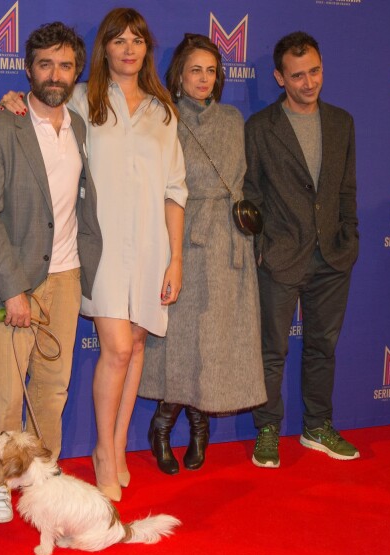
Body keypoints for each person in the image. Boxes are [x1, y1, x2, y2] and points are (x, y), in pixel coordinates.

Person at [0, 8, 187, 501]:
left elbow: (175, 189)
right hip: (97, 248)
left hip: (151, 247)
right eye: (118, 39)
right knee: (118, 348)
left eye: (137, 40)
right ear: (103, 48)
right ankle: (104, 450)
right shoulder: (82, 98)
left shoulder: (163, 110)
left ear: (148, 49)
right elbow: (42, 110)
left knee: (139, 346)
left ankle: (119, 447)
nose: (128, 48)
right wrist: (13, 99)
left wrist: (176, 259)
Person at [0, 22, 102, 524]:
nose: (55, 74)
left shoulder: (78, 126)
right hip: (17, 281)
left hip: (67, 276)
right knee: (7, 391)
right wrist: (12, 289)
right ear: (28, 68)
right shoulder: (1, 126)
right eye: (45, 64)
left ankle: (41, 474)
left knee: (53, 386)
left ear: (77, 72)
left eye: (66, 65)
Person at [139, 34, 267, 475]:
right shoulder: (163, 117)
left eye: (212, 71)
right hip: (183, 238)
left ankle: (200, 428)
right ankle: (161, 426)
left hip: (230, 245)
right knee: (178, 341)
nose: (205, 79)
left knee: (215, 344)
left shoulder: (233, 119)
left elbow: (242, 181)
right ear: (178, 73)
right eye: (196, 70)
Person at [243, 31, 360, 468]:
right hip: (280, 256)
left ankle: (317, 427)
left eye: (314, 71)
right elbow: (250, 195)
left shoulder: (341, 122)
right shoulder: (259, 128)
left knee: (322, 348)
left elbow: (347, 188)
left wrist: (350, 237)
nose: (309, 82)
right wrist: (262, 247)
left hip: (333, 255)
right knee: (272, 351)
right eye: (297, 76)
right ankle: (268, 430)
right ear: (279, 78)